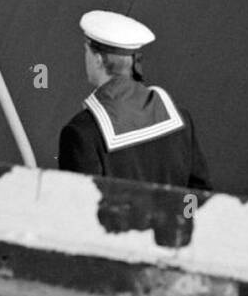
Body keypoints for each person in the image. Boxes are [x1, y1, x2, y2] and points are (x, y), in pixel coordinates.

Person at [57, 10, 211, 189]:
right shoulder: (181, 118)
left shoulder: (81, 133)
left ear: (98, 60)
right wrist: (182, 217)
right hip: (175, 217)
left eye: (86, 51)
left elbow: (80, 210)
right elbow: (199, 195)